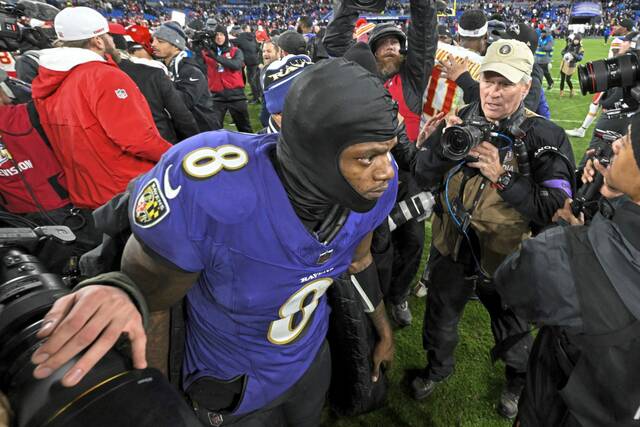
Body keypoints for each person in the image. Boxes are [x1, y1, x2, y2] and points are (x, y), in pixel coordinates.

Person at [30, 58, 399, 427]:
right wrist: (162, 404)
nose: (385, 170)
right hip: (232, 382)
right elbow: (152, 306)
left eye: (388, 150)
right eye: (367, 156)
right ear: (315, 150)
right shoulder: (211, 191)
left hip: (309, 358)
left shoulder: (377, 186)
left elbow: (358, 261)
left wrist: (380, 328)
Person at [411, 39, 575, 419]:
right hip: (451, 248)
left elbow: (556, 210)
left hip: (508, 259)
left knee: (514, 332)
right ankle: (437, 369)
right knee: (440, 318)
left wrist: (502, 177)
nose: (493, 92)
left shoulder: (546, 137)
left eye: (505, 83)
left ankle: (517, 381)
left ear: (525, 86)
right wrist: (437, 149)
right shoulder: (462, 119)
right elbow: (421, 174)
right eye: (488, 80)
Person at [494, 116, 640, 426]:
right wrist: (616, 201)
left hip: (565, 407)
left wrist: (565, 228)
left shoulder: (574, 254)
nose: (614, 144)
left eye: (626, 142)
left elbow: (513, 279)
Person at [32, 7, 172, 211]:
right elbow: (138, 140)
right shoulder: (102, 76)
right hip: (125, 191)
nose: (111, 40)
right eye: (107, 35)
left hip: (86, 192)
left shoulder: (48, 79)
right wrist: (175, 155)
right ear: (98, 41)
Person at [108, 23, 200, 144]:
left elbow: (188, 102)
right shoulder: (154, 71)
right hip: (159, 141)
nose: (153, 45)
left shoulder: (188, 68)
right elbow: (181, 114)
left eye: (160, 41)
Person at [566, 19, 634, 138]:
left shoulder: (619, 41)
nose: (615, 27)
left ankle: (583, 130)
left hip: (612, 78)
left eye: (619, 25)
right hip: (625, 79)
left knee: (597, 104)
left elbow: (615, 61)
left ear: (625, 28)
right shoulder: (633, 41)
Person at [152, 22, 217, 133]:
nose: (153, 44)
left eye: (160, 41)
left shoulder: (191, 70)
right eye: (153, 40)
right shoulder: (166, 66)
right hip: (182, 130)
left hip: (200, 131)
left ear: (176, 45)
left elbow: (184, 102)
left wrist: (160, 82)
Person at [200, 24, 253, 133]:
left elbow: (236, 65)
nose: (219, 37)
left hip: (236, 95)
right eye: (216, 35)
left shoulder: (235, 51)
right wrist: (197, 48)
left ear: (226, 36)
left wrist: (215, 57)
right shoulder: (206, 52)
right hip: (216, 97)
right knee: (213, 130)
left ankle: (251, 149)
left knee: (245, 129)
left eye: (222, 34)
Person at [233, 24, 262, 104]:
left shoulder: (241, 37)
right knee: (256, 79)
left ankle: (256, 99)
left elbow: (234, 42)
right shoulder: (252, 37)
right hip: (256, 59)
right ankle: (258, 93)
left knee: (251, 80)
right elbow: (257, 48)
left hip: (250, 61)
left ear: (243, 29)